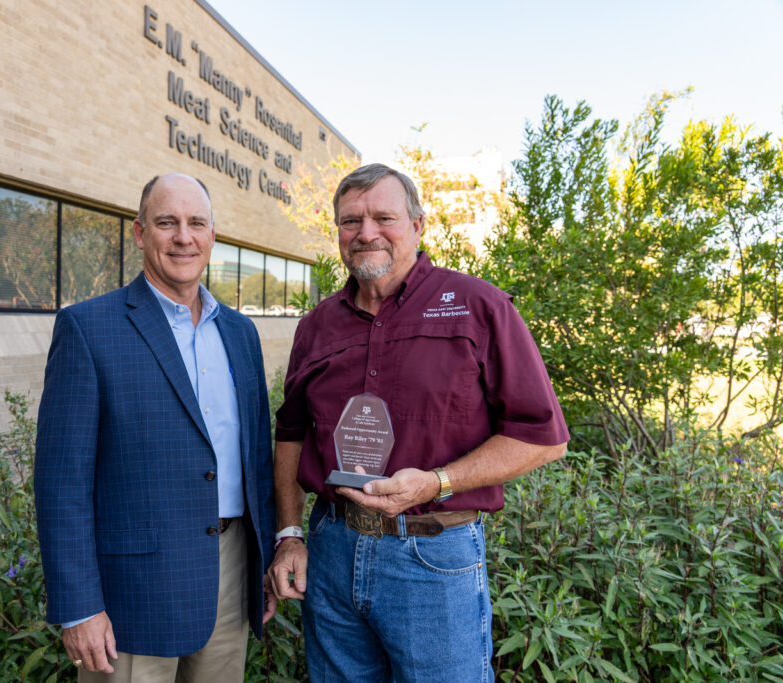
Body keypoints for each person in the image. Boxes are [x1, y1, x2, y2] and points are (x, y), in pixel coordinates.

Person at [268, 164, 569, 682]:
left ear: (417, 224)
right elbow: (291, 434)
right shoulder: (317, 326)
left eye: (384, 217)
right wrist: (289, 534)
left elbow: (541, 439)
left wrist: (436, 482)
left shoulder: (479, 307)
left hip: (432, 555)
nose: (366, 233)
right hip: (333, 549)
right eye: (350, 221)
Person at [34, 173, 277, 682]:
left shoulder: (240, 333)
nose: (183, 237)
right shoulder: (88, 328)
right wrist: (80, 607)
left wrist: (262, 564)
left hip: (231, 572)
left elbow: (255, 460)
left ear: (213, 235)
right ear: (141, 233)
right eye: (167, 223)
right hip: (132, 593)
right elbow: (62, 482)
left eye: (196, 224)